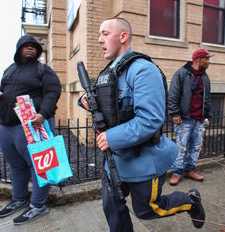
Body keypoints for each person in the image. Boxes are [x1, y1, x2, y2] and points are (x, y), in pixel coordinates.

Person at [79, 18, 205, 231]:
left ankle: (191, 201)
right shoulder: (110, 72)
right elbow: (106, 102)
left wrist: (111, 138)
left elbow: (150, 119)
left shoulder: (143, 70)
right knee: (113, 209)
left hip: (143, 161)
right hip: (114, 161)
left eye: (105, 33)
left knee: (147, 210)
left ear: (123, 37)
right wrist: (83, 101)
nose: (99, 40)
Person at [0, 34, 61, 225]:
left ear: (38, 51)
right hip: (6, 125)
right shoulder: (9, 70)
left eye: (34, 47)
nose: (30, 49)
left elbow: (52, 94)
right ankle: (19, 198)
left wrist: (43, 114)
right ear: (18, 49)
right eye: (26, 46)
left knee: (40, 167)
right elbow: (8, 95)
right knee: (16, 165)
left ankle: (38, 205)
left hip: (31, 126)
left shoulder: (44, 70)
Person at [168, 48, 213, 185]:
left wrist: (208, 116)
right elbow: (173, 95)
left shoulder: (205, 77)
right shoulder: (182, 73)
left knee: (196, 146)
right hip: (184, 118)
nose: (209, 62)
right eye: (207, 59)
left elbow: (207, 99)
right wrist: (175, 113)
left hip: (199, 119)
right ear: (199, 59)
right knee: (181, 147)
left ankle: (190, 169)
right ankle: (177, 172)